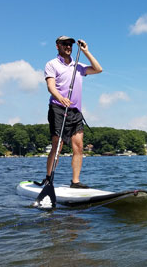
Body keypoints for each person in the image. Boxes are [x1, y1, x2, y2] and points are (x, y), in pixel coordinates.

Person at [41, 35, 102, 189]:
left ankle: (75, 182)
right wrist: (61, 98)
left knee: (79, 146)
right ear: (57, 46)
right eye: (65, 44)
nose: (68, 46)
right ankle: (48, 178)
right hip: (58, 108)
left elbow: (98, 69)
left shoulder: (78, 67)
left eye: (70, 44)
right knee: (58, 146)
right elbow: (50, 86)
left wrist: (86, 51)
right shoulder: (51, 64)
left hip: (75, 111)